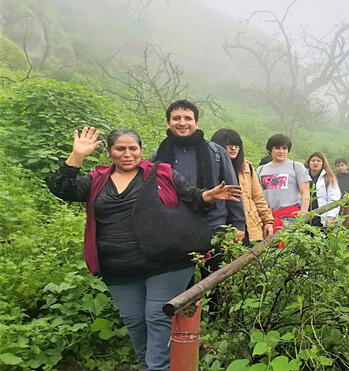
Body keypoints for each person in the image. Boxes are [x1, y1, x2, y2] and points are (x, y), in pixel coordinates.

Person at [47, 128, 242, 371]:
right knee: (135, 322)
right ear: (109, 152)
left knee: (157, 317)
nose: (127, 154)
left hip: (167, 263)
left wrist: (208, 196)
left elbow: (191, 195)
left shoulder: (161, 173)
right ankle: (153, 366)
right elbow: (61, 189)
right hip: (118, 267)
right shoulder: (97, 180)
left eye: (133, 148)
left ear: (141, 150)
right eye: (120, 148)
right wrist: (77, 156)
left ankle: (156, 368)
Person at [150, 100, 245, 267]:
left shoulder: (215, 152)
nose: (182, 123)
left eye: (188, 118)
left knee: (215, 282)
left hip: (214, 226)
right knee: (183, 286)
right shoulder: (159, 155)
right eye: (176, 118)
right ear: (168, 122)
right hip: (174, 228)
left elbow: (232, 189)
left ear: (196, 122)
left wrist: (238, 224)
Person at [211, 128, 274, 244]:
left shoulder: (246, 167)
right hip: (221, 225)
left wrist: (268, 221)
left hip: (249, 226)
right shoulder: (210, 167)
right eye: (229, 145)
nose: (233, 148)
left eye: (236, 145)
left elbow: (257, 197)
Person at [256, 134, 310, 241]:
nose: (281, 151)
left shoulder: (296, 166)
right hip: (268, 219)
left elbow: (305, 192)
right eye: (277, 148)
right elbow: (257, 196)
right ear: (270, 150)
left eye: (284, 148)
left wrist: (302, 216)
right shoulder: (261, 170)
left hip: (290, 217)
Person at [304, 152, 341, 227]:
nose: (315, 163)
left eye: (318, 161)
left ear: (323, 164)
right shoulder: (302, 176)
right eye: (313, 160)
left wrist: (330, 216)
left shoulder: (329, 178)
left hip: (321, 216)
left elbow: (334, 198)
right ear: (309, 163)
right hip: (304, 215)